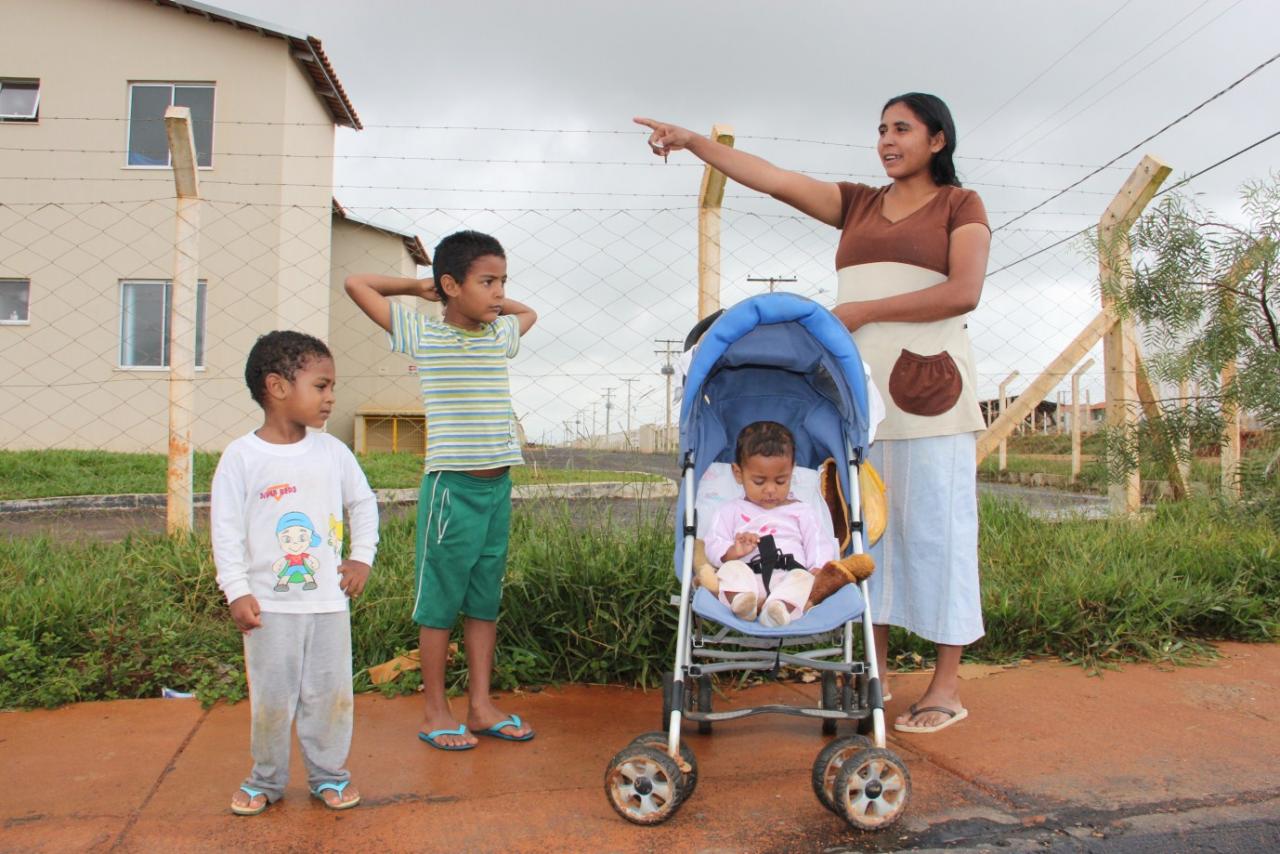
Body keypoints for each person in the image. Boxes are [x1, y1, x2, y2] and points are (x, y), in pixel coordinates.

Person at [638, 92, 991, 734]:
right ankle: (873, 679)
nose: (887, 139)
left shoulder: (959, 205)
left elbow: (964, 289)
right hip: (850, 399)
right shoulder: (860, 203)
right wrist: (696, 142)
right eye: (881, 128)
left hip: (925, 393)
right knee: (855, 529)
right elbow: (776, 180)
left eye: (902, 129)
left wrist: (861, 312)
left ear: (938, 140)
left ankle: (944, 685)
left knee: (939, 536)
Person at [345, 230, 538, 750]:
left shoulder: (498, 336)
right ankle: (435, 711)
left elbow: (529, 314)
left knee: (483, 601)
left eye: (503, 281)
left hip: (498, 486)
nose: (499, 294)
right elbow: (356, 282)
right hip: (452, 491)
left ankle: (480, 705)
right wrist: (419, 286)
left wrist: (485, 297)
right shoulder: (424, 335)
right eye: (488, 281)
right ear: (450, 284)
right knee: (440, 604)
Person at [212, 330, 379, 815]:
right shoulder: (241, 458)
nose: (330, 398)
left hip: (328, 604)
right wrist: (236, 591)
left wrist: (362, 556)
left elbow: (362, 505)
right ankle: (265, 780)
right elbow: (225, 531)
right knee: (272, 699)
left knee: (329, 695)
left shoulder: (332, 452)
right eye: (321, 386)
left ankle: (329, 775)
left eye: (332, 387)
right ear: (278, 387)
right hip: (269, 608)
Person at [703, 421, 837, 628]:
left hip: (788, 577)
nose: (770, 490)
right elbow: (712, 544)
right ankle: (743, 603)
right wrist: (732, 551)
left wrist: (818, 568)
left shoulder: (802, 512)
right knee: (730, 570)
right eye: (759, 482)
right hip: (747, 579)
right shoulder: (729, 511)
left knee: (804, 579)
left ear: (792, 472)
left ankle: (778, 609)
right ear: (739, 474)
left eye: (781, 481)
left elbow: (819, 544)